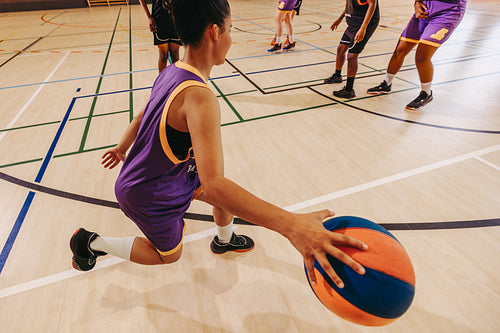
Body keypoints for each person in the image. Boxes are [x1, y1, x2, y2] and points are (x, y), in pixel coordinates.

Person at [70, 0, 368, 289]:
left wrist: (122, 148)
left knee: (221, 195)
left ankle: (224, 240)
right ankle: (91, 243)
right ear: (215, 32)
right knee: (169, 255)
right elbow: (215, 185)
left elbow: (142, 114)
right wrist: (291, 225)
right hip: (148, 193)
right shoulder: (200, 98)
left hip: (167, 174)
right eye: (230, 29)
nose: (230, 37)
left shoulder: (171, 70)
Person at [366, 0, 468, 110]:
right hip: (425, 8)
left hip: (448, 13)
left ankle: (426, 93)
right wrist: (417, 2)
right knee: (399, 51)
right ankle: (386, 84)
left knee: (422, 57)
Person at [323, 0, 380, 99]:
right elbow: (349, 5)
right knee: (341, 49)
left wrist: (363, 28)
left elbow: (372, 4)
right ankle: (337, 76)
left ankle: (349, 90)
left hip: (363, 23)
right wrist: (340, 19)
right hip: (353, 22)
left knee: (352, 55)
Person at [139, 0, 182, 72]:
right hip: (159, 20)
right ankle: (162, 82)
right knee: (163, 56)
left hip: (176, 19)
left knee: (175, 55)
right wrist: (149, 17)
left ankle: (176, 81)